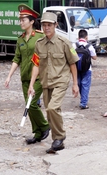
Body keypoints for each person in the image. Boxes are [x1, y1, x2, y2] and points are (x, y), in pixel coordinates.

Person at [28, 12, 79, 153]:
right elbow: (36, 65)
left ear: (55, 25)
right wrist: (32, 84)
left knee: (52, 108)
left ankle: (59, 137)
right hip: (46, 82)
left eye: (49, 25)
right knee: (51, 112)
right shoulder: (39, 44)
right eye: (44, 25)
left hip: (61, 80)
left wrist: (75, 84)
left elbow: (73, 63)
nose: (46, 28)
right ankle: (57, 141)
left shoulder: (64, 42)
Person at [4, 4, 50, 145]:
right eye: (20, 20)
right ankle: (37, 133)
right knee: (28, 106)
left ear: (31, 21)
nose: (21, 22)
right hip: (25, 78)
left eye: (23, 19)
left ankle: (44, 126)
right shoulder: (20, 39)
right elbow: (17, 59)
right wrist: (9, 76)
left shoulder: (40, 37)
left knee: (33, 105)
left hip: (38, 77)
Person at [73, 29, 97, 109]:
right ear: (86, 37)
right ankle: (83, 103)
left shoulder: (74, 45)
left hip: (76, 69)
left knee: (79, 84)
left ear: (78, 37)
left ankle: (82, 99)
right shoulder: (89, 46)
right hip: (87, 69)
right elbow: (94, 57)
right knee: (85, 85)